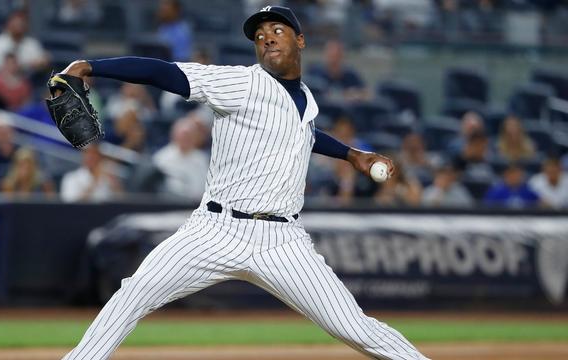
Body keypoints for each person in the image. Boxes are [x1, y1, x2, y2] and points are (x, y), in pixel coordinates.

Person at [57, 6, 427, 359]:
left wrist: (351, 154)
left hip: (284, 242)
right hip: (215, 230)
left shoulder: (306, 100)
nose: (266, 38)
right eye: (260, 35)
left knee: (354, 327)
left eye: (277, 30)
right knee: (135, 293)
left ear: (301, 41)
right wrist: (91, 66)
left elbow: (304, 133)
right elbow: (165, 72)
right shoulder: (242, 83)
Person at [153, 115, 210, 200]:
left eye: (189, 136)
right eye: (183, 135)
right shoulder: (161, 158)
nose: (186, 139)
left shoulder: (202, 159)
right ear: (174, 135)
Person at [0, 10, 50, 75]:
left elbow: (43, 61)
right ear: (8, 24)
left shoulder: (32, 44)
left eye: (22, 22)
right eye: (16, 22)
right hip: (1, 83)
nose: (19, 25)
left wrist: (43, 61)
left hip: (28, 84)